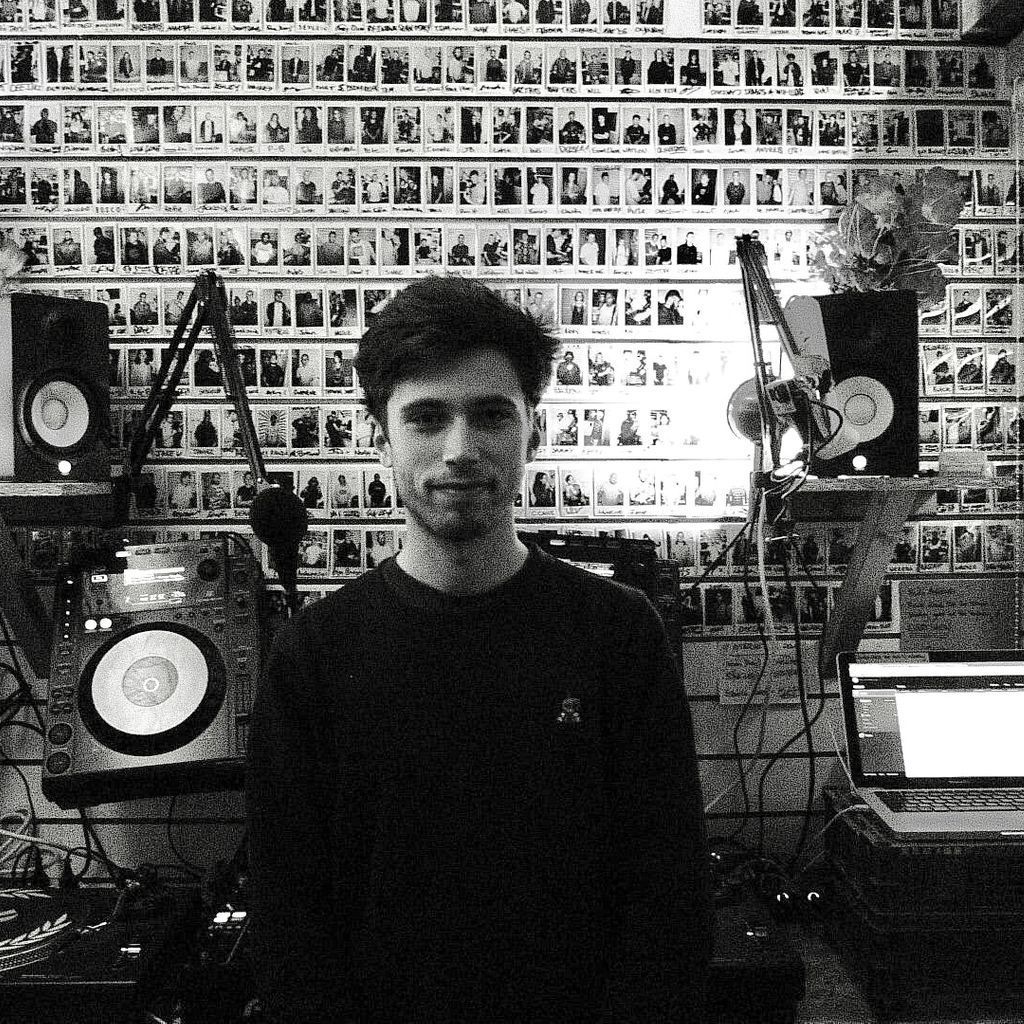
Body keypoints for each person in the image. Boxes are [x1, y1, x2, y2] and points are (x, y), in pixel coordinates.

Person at [247, 276, 713, 1023]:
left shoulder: (618, 635)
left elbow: (668, 898)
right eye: (426, 417)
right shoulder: (313, 655)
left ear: (534, 431)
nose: (459, 449)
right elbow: (290, 923)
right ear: (380, 440)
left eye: (492, 414)